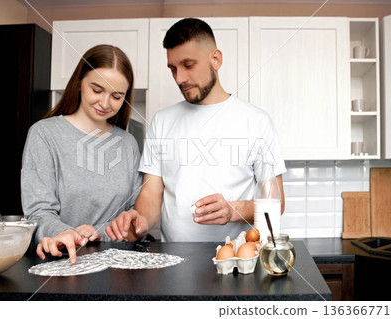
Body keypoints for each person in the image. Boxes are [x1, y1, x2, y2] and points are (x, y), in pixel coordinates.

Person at [106, 18, 286, 242]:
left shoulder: (257, 122)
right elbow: (152, 193)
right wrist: (140, 219)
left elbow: (275, 205)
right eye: (173, 69)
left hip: (238, 260)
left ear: (216, 59)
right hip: (174, 260)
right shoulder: (162, 121)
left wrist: (233, 210)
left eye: (189, 65)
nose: (180, 78)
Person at [21, 45, 142, 263]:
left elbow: (133, 213)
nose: (105, 103)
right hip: (61, 261)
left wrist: (100, 233)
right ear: (79, 84)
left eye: (116, 96)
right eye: (97, 90)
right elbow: (38, 211)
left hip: (117, 268)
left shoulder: (128, 143)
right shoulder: (44, 134)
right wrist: (66, 234)